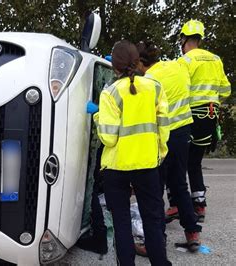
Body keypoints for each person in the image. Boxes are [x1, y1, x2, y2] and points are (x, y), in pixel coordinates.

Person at [92, 40, 171, 265]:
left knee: (122, 223)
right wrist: (159, 153)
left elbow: (108, 137)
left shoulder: (110, 94)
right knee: (153, 220)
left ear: (114, 67)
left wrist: (98, 115)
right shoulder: (155, 88)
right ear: (137, 61)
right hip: (147, 165)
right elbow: (164, 127)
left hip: (116, 168)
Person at [136, 40, 202, 252]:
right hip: (183, 133)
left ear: (139, 62)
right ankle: (192, 233)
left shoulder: (149, 80)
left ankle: (156, 243)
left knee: (156, 189)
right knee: (179, 185)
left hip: (163, 136)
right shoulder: (177, 66)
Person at [177, 20, 231, 222]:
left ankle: (177, 205)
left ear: (184, 39)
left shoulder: (186, 61)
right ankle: (199, 205)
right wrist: (211, 99)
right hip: (210, 116)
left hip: (191, 117)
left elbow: (180, 90)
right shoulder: (216, 60)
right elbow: (226, 90)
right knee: (195, 162)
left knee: (179, 162)